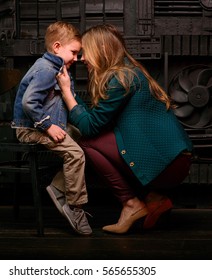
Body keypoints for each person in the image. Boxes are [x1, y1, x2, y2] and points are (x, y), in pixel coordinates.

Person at [56, 24, 193, 234]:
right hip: (175, 160)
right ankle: (153, 198)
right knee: (105, 138)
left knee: (89, 143)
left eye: (86, 53)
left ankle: (130, 204)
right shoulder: (128, 71)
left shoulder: (120, 80)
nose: (82, 59)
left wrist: (66, 93)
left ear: (101, 50)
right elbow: (94, 120)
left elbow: (89, 127)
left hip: (170, 164)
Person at [11, 21, 92, 236]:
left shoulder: (57, 67)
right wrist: (48, 126)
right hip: (31, 129)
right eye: (74, 52)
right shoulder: (46, 70)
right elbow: (29, 103)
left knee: (88, 142)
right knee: (75, 154)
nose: (77, 58)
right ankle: (75, 207)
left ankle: (57, 186)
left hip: (50, 124)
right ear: (57, 47)